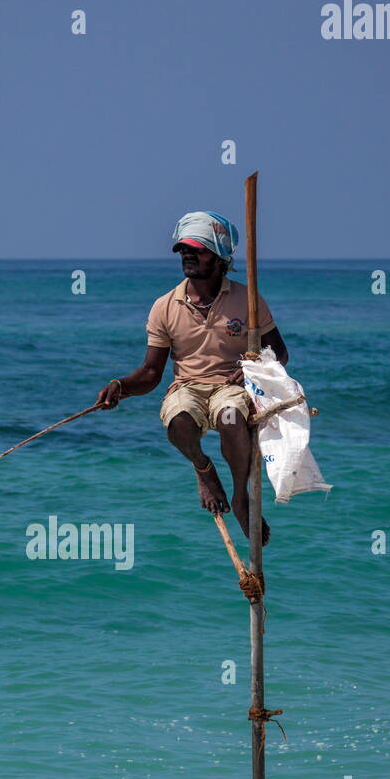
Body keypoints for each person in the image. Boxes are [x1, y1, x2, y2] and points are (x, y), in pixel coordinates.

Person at [96, 210, 289, 542]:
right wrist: (121, 386)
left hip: (233, 384)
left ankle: (241, 496)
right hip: (187, 386)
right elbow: (152, 372)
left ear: (220, 257)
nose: (187, 254)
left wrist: (254, 370)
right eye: (183, 249)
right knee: (179, 421)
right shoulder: (165, 306)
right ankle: (204, 469)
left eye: (197, 249)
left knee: (230, 418)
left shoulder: (248, 299)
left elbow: (280, 354)